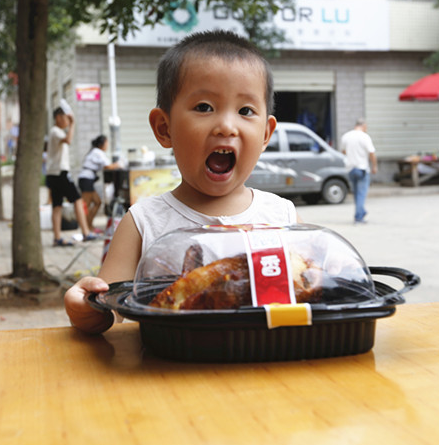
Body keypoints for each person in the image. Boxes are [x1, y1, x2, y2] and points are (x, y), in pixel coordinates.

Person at [64, 30, 299, 334]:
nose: (226, 126)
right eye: (204, 107)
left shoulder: (282, 217)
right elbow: (109, 311)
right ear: (164, 128)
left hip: (265, 356)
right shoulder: (143, 223)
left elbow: (307, 291)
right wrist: (86, 311)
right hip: (169, 359)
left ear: (266, 134)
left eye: (245, 111)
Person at [45, 107, 93, 246]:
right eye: (66, 118)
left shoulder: (55, 132)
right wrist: (73, 124)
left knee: (57, 206)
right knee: (77, 200)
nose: (67, 121)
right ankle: (86, 233)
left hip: (53, 174)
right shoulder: (55, 131)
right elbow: (68, 140)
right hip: (60, 173)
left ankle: (57, 238)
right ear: (58, 118)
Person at [78, 135, 123, 234]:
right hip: (86, 179)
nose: (107, 145)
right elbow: (108, 166)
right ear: (102, 144)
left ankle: (89, 226)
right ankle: (85, 229)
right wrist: (119, 164)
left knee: (97, 202)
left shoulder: (95, 151)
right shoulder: (98, 152)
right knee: (86, 205)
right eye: (107, 143)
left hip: (87, 179)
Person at [340, 118, 377, 224]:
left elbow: (343, 151)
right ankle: (359, 217)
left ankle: (361, 212)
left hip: (350, 168)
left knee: (356, 193)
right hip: (362, 168)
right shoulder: (365, 137)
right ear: (364, 126)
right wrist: (374, 166)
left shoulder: (346, 136)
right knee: (361, 194)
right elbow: (371, 153)